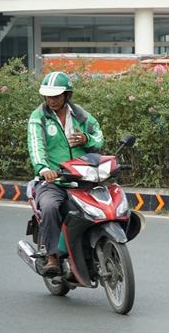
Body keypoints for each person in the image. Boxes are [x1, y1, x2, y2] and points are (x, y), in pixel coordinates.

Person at [27, 71, 104, 275]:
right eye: (48, 96)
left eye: (56, 96)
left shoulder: (80, 115)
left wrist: (86, 139)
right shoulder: (39, 117)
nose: (51, 100)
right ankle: (52, 256)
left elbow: (99, 136)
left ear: (67, 95)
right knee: (50, 206)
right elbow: (36, 146)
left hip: (83, 178)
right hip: (54, 181)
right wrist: (43, 169)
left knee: (103, 205)